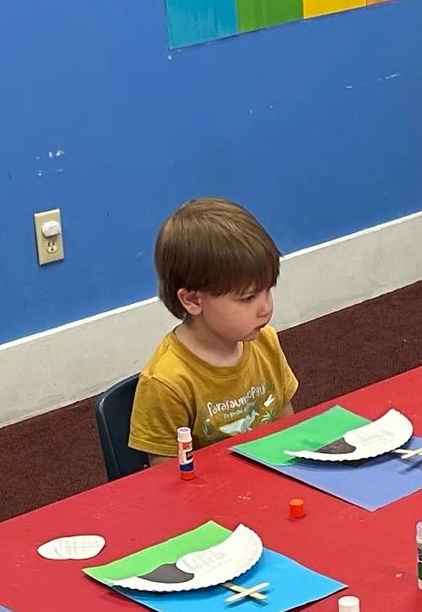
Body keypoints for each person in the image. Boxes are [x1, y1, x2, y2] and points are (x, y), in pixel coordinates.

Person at [128, 197, 300, 464]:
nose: (266, 308)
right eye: (248, 298)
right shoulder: (167, 381)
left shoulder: (265, 342)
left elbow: (287, 431)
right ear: (194, 300)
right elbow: (166, 479)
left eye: (269, 290)